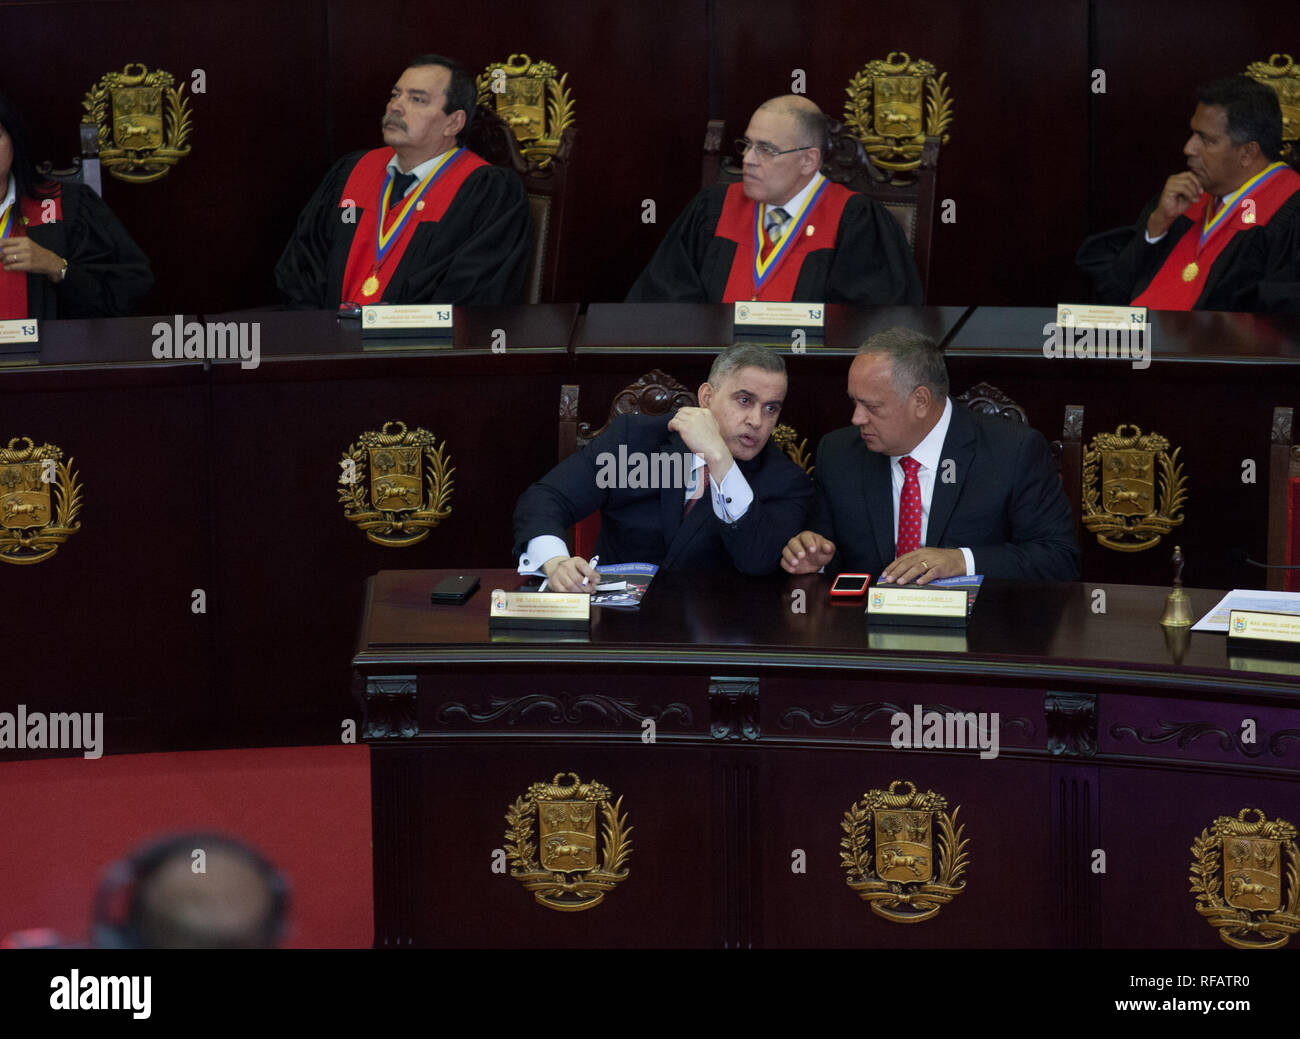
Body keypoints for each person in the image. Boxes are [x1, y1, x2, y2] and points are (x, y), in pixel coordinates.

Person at [782, 328, 1079, 583]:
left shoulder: (1012, 452)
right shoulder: (838, 454)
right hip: (866, 631)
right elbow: (829, 553)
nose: (857, 418)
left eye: (872, 407)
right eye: (854, 403)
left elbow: (1059, 559)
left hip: (978, 633)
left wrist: (962, 562)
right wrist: (816, 560)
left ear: (920, 401)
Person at [514, 344, 813, 592]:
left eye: (771, 408)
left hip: (718, 640)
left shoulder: (785, 481)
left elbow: (757, 559)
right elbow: (546, 498)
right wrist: (555, 563)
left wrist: (721, 460)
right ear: (707, 397)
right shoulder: (636, 440)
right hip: (618, 628)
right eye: (744, 400)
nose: (757, 421)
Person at [275, 54, 532, 308]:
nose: (395, 106)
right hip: (328, 341)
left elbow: (472, 296)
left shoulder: (486, 193)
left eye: (417, 99)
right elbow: (303, 265)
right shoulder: (352, 173)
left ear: (453, 123)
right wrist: (321, 335)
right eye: (395, 95)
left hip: (415, 348)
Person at [626, 95, 922, 305]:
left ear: (808, 160)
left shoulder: (856, 222)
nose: (748, 159)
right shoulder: (712, 209)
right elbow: (664, 300)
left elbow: (870, 326)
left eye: (766, 149)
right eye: (747, 145)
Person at [1076, 76, 1300, 311]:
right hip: (1153, 344)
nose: (1188, 148)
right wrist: (1156, 226)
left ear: (1247, 152)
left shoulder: (1289, 215)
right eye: (1193, 134)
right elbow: (1113, 292)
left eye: (1206, 140)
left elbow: (1278, 323)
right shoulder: (1188, 200)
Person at [0, 92, 152, 320]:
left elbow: (128, 292)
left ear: (14, 141)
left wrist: (58, 267)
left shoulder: (69, 206)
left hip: (56, 353)